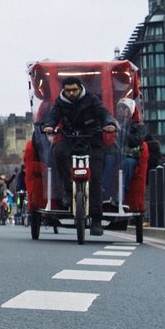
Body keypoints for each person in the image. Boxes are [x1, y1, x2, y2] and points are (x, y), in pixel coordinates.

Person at [41, 76, 116, 236]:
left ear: (80, 88)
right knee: (58, 152)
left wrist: (109, 123)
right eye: (68, 90)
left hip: (91, 139)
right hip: (70, 138)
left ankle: (96, 220)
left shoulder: (91, 99)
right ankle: (68, 190)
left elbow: (103, 113)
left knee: (95, 177)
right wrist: (49, 126)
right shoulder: (61, 102)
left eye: (74, 90)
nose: (71, 93)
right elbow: (53, 116)